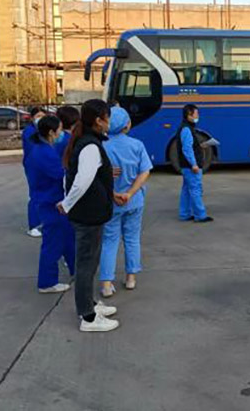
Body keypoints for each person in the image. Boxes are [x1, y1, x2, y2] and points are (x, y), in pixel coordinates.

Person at [59, 99, 119, 332]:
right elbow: (81, 181)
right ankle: (89, 318)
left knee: (90, 263)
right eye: (107, 118)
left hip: (89, 213)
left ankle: (89, 304)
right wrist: (67, 203)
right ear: (98, 120)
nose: (109, 122)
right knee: (86, 265)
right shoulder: (90, 146)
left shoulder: (86, 141)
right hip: (88, 215)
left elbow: (77, 177)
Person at [99, 107, 153, 297]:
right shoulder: (137, 145)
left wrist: (114, 194)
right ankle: (131, 278)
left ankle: (106, 284)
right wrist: (129, 193)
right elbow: (144, 171)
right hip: (134, 201)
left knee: (109, 241)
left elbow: (97, 175)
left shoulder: (101, 146)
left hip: (110, 201)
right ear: (126, 125)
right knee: (132, 238)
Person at [25, 115, 76, 293]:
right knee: (53, 244)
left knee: (68, 238)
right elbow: (62, 175)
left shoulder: (42, 148)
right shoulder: (44, 153)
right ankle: (47, 282)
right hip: (52, 203)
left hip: (54, 202)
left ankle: (76, 270)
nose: (62, 133)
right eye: (60, 130)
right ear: (51, 132)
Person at [177, 104, 213, 223]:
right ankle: (200, 215)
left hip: (186, 165)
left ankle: (184, 214)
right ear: (189, 115)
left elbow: (189, 146)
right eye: (196, 114)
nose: (198, 116)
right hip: (190, 166)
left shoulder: (186, 128)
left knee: (186, 190)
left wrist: (200, 146)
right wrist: (194, 164)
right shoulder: (187, 129)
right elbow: (187, 149)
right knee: (196, 189)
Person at [22, 106, 46, 238]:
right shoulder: (29, 131)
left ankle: (42, 222)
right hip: (33, 166)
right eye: (38, 116)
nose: (40, 119)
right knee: (35, 195)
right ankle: (34, 226)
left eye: (43, 116)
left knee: (44, 194)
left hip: (43, 165)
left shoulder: (43, 130)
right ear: (32, 118)